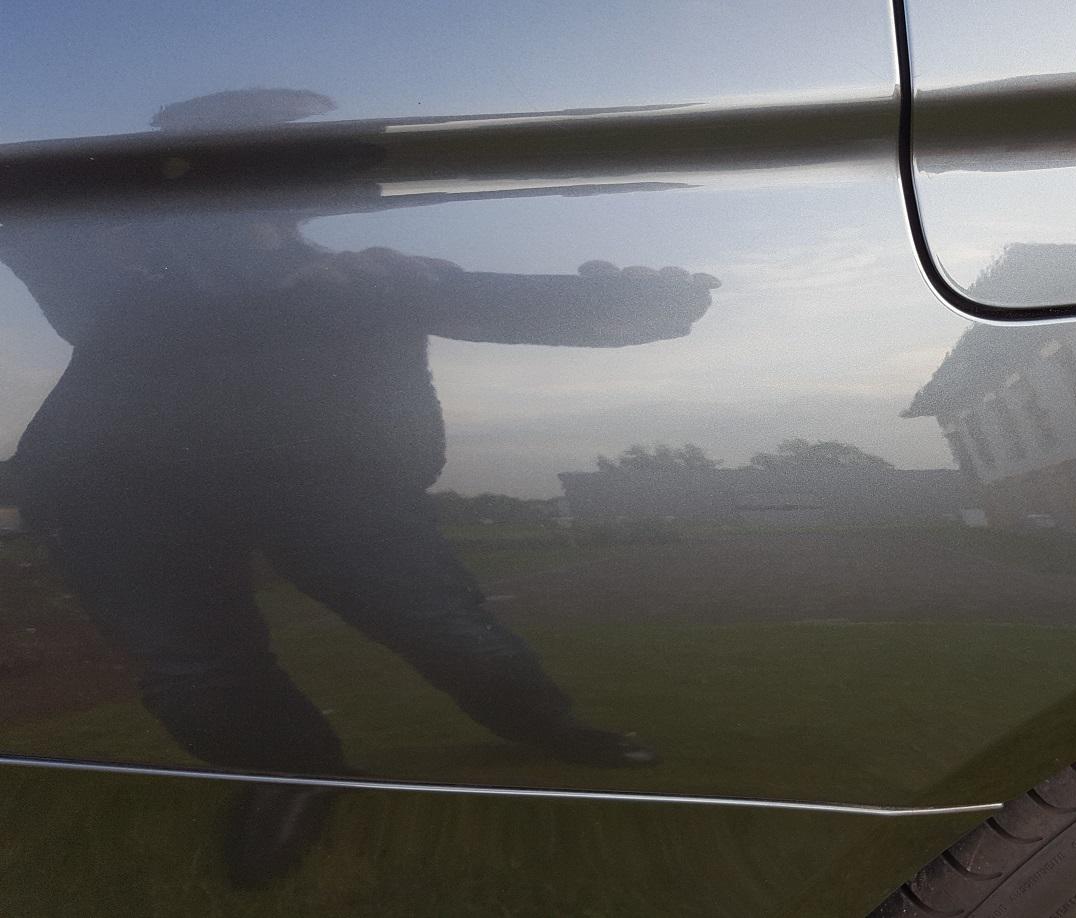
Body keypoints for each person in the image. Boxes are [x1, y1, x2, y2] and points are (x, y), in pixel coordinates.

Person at [0, 89, 719, 884]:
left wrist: (647, 304)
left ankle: (541, 723)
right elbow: (42, 221)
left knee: (445, 627)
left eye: (275, 164)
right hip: (123, 491)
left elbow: (519, 304)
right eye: (225, 159)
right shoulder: (95, 259)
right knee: (195, 667)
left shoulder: (366, 277)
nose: (253, 197)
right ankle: (291, 773)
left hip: (329, 488)